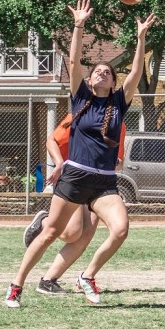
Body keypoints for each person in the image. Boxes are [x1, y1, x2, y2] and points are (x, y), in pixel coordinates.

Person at [5, 0, 154, 308]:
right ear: (89, 80)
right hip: (75, 176)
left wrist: (140, 38)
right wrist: (79, 25)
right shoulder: (81, 100)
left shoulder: (118, 105)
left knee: (121, 229)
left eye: (107, 72)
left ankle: (86, 276)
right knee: (50, 234)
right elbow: (73, 63)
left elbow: (136, 72)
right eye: (97, 71)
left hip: (104, 182)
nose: (102, 73)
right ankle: (15, 286)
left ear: (113, 81)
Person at [22, 115, 126, 295]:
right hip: (73, 179)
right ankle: (45, 222)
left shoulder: (120, 124)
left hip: (99, 183)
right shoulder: (83, 115)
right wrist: (60, 164)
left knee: (85, 235)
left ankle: (48, 281)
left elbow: (119, 161)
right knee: (72, 232)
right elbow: (52, 140)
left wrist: (111, 162)